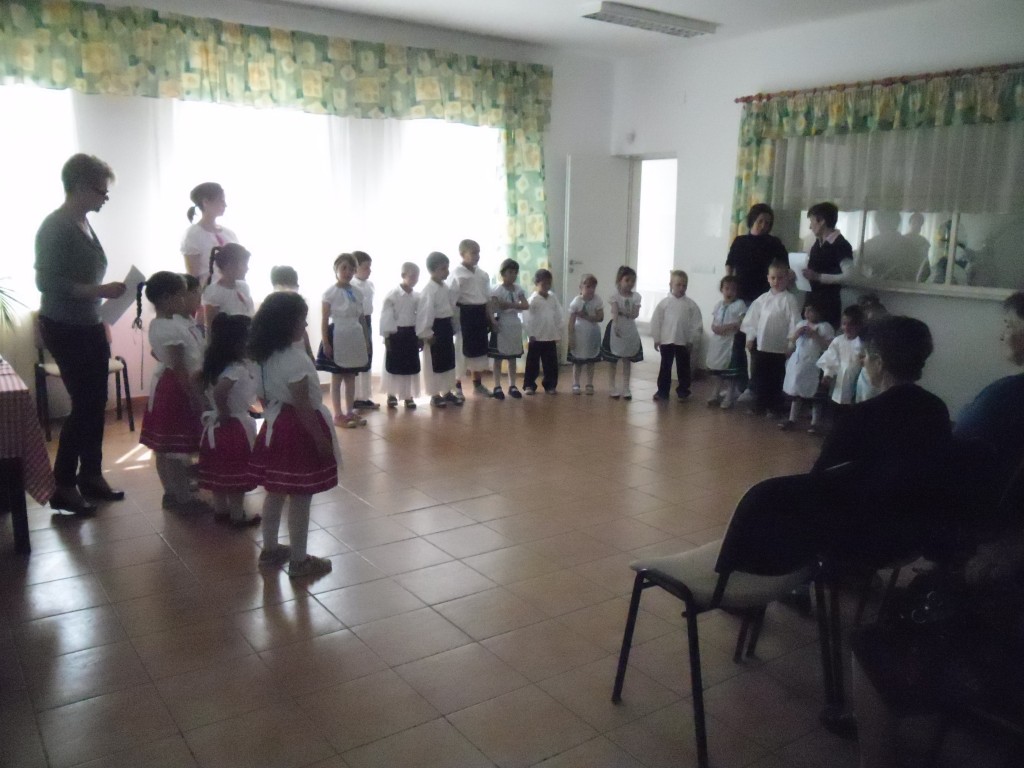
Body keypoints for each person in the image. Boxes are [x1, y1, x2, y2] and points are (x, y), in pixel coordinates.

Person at [35, 153, 127, 514]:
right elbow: (46, 282)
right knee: (85, 404)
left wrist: (100, 297)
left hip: (88, 324)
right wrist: (98, 291)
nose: (105, 198)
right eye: (101, 191)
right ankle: (63, 484)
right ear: (79, 186)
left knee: (96, 402)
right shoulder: (55, 226)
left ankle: (91, 474)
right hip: (65, 327)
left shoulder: (83, 223)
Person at [248, 292, 339, 579]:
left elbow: (262, 398)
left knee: (275, 491)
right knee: (301, 495)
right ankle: (299, 560)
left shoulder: (260, 357)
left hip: (275, 425)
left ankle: (270, 548)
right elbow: (302, 405)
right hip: (299, 429)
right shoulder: (295, 359)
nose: (306, 325)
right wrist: (320, 440)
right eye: (302, 320)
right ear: (287, 324)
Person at [136, 272, 207, 513]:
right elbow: (179, 367)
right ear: (167, 298)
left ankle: (174, 492)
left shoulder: (171, 323)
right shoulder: (167, 328)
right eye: (181, 295)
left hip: (175, 385)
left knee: (168, 449)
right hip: (176, 388)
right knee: (173, 450)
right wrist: (194, 396)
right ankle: (182, 498)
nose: (185, 299)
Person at [198, 313, 259, 527]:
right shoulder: (236, 369)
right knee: (236, 474)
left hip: (215, 428)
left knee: (219, 472)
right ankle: (237, 515)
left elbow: (198, 384)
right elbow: (221, 391)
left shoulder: (214, 366)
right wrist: (223, 412)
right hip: (233, 427)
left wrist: (210, 409)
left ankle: (221, 510)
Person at [725, 203, 790, 396]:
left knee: (756, 345)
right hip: (741, 298)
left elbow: (784, 269)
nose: (763, 225)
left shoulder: (774, 243)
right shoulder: (740, 241)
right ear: (752, 219)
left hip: (764, 300)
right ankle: (739, 385)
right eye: (760, 221)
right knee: (738, 343)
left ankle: (755, 388)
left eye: (767, 223)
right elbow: (730, 265)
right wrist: (729, 289)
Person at [740, 260, 802, 416]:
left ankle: (774, 407)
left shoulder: (790, 300)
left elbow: (794, 323)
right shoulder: (762, 300)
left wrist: (791, 344)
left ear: (787, 279)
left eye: (780, 278)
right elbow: (752, 321)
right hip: (762, 345)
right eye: (773, 278)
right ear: (768, 278)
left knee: (776, 377)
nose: (776, 281)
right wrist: (750, 337)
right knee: (760, 376)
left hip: (779, 347)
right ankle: (760, 404)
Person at [315, 253, 369, 428]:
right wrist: (326, 342)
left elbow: (361, 318)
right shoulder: (330, 293)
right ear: (336, 269)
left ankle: (350, 411)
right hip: (337, 334)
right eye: (343, 268)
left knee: (351, 376)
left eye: (351, 269)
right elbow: (324, 319)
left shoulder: (358, 292)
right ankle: (338, 414)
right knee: (337, 377)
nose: (347, 272)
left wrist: (366, 340)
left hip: (354, 336)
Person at [781, 298, 834, 433]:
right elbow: (792, 341)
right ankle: (792, 419)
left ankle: (815, 422)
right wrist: (796, 336)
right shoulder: (801, 324)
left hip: (815, 365)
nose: (807, 313)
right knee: (796, 391)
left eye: (811, 311)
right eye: (806, 310)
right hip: (800, 364)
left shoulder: (825, 327)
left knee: (816, 396)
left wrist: (815, 335)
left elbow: (829, 347)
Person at [449, 238, 492, 399]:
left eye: (478, 252)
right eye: (473, 253)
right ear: (462, 254)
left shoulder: (482, 274)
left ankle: (478, 384)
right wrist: (453, 321)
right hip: (464, 314)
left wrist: (491, 318)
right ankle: (457, 386)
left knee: (479, 352)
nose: (477, 256)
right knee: (461, 351)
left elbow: (487, 298)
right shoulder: (456, 274)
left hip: (479, 314)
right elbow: (451, 300)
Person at [650, 269, 703, 402]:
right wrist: (657, 338)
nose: (681, 288)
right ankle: (662, 391)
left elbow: (696, 324)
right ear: (671, 285)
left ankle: (683, 391)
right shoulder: (664, 304)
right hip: (666, 340)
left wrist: (692, 340)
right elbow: (656, 321)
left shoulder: (691, 305)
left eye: (684, 285)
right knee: (665, 367)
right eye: (678, 285)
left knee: (683, 368)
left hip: (683, 341)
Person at [416, 252, 460, 408]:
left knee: (448, 360)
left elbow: (451, 308)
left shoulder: (445, 287)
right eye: (443, 269)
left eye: (447, 268)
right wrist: (426, 333)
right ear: (432, 270)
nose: (447, 272)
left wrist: (453, 325)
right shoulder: (429, 290)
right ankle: (434, 394)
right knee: (433, 362)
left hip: (445, 326)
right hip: (434, 329)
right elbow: (425, 313)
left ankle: (447, 391)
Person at [801, 202, 854, 328]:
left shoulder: (841, 244)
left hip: (827, 306)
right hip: (811, 302)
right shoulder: (817, 244)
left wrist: (819, 277)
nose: (810, 227)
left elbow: (850, 276)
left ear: (821, 221)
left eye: (812, 221)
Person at [379, 262, 422, 410]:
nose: (415, 279)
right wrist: (386, 336)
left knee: (409, 366)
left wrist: (420, 336)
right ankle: (391, 394)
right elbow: (386, 317)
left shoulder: (417, 296)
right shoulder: (392, 295)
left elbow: (420, 317)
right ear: (403, 275)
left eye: (417, 276)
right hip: (396, 334)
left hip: (411, 334)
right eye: (412, 276)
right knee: (393, 366)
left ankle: (408, 396)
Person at [181, 182, 237, 285]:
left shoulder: (229, 233)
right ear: (206, 202)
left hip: (234, 289)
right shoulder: (193, 234)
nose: (225, 205)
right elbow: (193, 275)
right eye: (221, 201)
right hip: (208, 291)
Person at [487, 258, 528, 400]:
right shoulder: (497, 289)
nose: (513, 275)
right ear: (503, 273)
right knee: (498, 358)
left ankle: (512, 385)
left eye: (515, 272)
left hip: (514, 324)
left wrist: (509, 305)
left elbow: (525, 305)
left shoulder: (518, 289)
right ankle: (497, 386)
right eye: (510, 272)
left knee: (512, 357)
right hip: (501, 323)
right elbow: (493, 307)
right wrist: (493, 321)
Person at [705, 275, 747, 409]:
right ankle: (715, 392)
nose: (729, 292)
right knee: (717, 370)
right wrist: (715, 328)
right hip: (718, 342)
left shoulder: (740, 305)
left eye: (733, 289)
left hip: (731, 342)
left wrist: (727, 327)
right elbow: (714, 322)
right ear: (722, 289)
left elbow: (741, 323)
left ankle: (730, 395)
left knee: (730, 372)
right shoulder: (718, 305)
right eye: (727, 288)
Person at [602, 265, 643, 400]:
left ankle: (626, 387)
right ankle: (612, 386)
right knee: (613, 360)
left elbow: (634, 314)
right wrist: (616, 324)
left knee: (627, 358)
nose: (630, 283)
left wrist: (625, 312)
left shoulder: (636, 297)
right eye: (627, 280)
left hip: (629, 328)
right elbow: (614, 312)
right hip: (617, 327)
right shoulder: (614, 296)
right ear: (619, 280)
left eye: (632, 281)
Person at [816, 304, 864, 414]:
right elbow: (830, 358)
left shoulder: (862, 343)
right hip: (838, 381)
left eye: (851, 324)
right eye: (844, 324)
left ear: (858, 325)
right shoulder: (838, 341)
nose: (847, 327)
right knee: (836, 409)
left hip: (855, 382)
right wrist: (828, 374)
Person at [522, 268, 563, 395]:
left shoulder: (553, 298)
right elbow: (526, 318)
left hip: (550, 335)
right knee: (532, 363)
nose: (546, 286)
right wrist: (530, 334)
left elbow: (558, 314)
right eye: (543, 283)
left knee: (551, 363)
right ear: (536, 283)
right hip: (536, 337)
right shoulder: (533, 300)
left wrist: (558, 331)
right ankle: (529, 385)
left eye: (549, 283)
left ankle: (550, 385)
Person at [566, 274, 604, 395]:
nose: (591, 290)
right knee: (577, 361)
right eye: (588, 287)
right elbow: (571, 322)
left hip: (592, 334)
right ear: (581, 287)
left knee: (591, 361)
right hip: (579, 335)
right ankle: (576, 383)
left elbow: (600, 317)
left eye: (593, 287)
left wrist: (586, 316)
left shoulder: (597, 300)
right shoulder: (576, 302)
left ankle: (589, 383)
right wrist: (571, 337)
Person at [351, 250, 380, 411]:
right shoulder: (352, 286)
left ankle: (364, 396)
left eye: (370, 267)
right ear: (355, 268)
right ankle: (354, 397)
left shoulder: (370, 285)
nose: (369, 270)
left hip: (367, 320)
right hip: (355, 322)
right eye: (365, 267)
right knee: (356, 359)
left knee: (367, 358)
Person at [202, 243, 254, 328]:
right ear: (229, 265)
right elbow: (210, 327)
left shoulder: (244, 287)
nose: (247, 268)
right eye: (244, 264)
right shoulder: (213, 293)